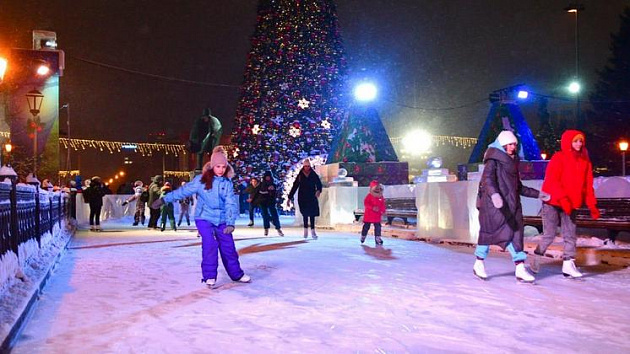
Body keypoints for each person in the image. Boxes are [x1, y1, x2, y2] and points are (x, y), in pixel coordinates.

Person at [152, 146, 251, 287]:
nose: (221, 170)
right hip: (204, 217)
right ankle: (209, 276)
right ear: (212, 166)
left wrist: (230, 223)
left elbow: (230, 204)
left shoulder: (227, 183)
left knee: (228, 246)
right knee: (210, 244)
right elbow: (183, 191)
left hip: (222, 219)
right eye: (218, 166)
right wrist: (164, 199)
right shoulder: (201, 180)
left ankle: (236, 274)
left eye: (224, 166)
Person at [473, 130, 550, 283]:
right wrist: (495, 195)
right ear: (503, 145)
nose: (513, 147)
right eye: (510, 144)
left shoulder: (513, 162)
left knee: (516, 234)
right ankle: (479, 262)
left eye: (514, 144)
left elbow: (518, 187)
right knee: (489, 233)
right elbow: (487, 180)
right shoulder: (492, 160)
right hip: (493, 206)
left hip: (512, 205)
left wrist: (538, 194)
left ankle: (520, 268)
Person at [530, 130, 599, 278]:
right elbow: (552, 181)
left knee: (570, 235)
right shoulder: (559, 157)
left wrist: (592, 205)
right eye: (575, 141)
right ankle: (536, 256)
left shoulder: (585, 161)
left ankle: (568, 264)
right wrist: (564, 199)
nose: (579, 144)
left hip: (571, 203)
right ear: (568, 142)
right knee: (549, 235)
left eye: (581, 141)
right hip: (553, 201)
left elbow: (588, 185)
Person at [288, 158, 323, 239]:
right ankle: (305, 231)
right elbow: (295, 186)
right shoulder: (300, 175)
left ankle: (313, 231)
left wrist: (318, 191)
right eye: (305, 166)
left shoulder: (313, 174)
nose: (307, 168)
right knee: (305, 214)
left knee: (312, 214)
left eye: (308, 166)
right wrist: (289, 197)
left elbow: (319, 184)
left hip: (311, 196)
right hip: (303, 197)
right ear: (303, 166)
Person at [258, 171, 284, 237]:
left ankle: (278, 228)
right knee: (265, 215)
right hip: (262, 201)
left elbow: (275, 193)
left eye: (269, 177)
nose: (267, 178)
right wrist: (267, 191)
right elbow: (259, 192)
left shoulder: (273, 184)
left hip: (271, 201)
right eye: (266, 177)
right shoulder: (261, 184)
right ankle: (266, 228)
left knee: (274, 215)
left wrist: (270, 191)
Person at [361, 180, 386, 245]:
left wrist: (383, 210)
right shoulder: (369, 196)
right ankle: (363, 236)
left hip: (377, 215)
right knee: (366, 226)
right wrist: (372, 207)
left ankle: (377, 237)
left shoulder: (381, 196)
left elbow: (382, 204)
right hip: (369, 214)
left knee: (378, 226)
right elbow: (366, 203)